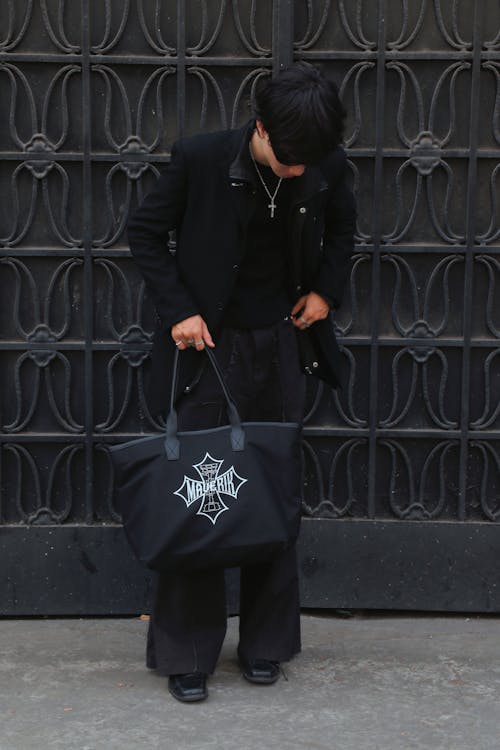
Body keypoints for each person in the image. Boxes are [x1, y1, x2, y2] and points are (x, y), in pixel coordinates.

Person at [127, 62, 356, 703]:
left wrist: (325, 293)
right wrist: (179, 310)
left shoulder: (322, 162)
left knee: (271, 496)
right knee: (201, 499)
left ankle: (265, 646)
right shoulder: (200, 158)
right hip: (208, 350)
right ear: (259, 130)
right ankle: (188, 652)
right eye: (287, 163)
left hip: (282, 347)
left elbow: (343, 228)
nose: (297, 173)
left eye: (309, 165)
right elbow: (144, 233)